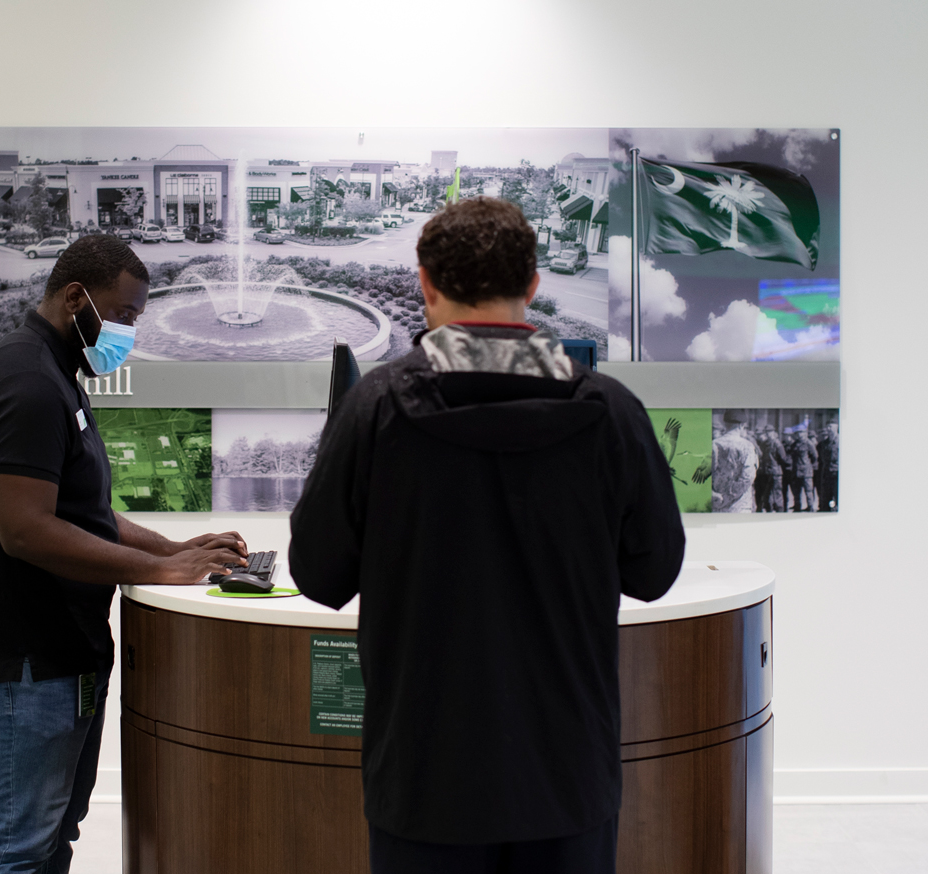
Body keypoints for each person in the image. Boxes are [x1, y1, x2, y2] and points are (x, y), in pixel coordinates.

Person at [288, 198, 685, 874]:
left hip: (423, 776)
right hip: (566, 774)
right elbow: (653, 572)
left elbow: (319, 574)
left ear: (424, 284)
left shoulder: (376, 409)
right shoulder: (610, 412)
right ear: (532, 286)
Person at [0, 235, 247, 874]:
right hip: (26, 656)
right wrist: (162, 570)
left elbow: (85, 513)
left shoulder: (56, 376)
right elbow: (26, 530)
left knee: (53, 835)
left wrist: (175, 548)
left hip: (62, 649)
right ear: (77, 298)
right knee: (18, 847)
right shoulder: (27, 382)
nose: (130, 331)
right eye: (125, 316)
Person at [706, 410, 759, 513]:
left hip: (717, 504)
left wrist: (712, 493)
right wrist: (728, 497)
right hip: (740, 505)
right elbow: (748, 477)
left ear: (724, 424)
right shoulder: (747, 446)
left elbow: (703, 475)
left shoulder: (713, 444)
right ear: (742, 425)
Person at [786, 427, 819, 512]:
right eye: (798, 433)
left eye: (801, 432)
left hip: (806, 472)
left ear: (805, 433)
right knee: (796, 492)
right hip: (796, 471)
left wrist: (808, 465)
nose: (799, 435)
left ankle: (810, 508)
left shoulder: (809, 443)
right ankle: (797, 508)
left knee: (808, 492)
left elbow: (815, 456)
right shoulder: (795, 444)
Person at [816, 422, 840, 511]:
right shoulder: (824, 443)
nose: (828, 429)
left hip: (837, 474)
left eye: (830, 426)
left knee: (838, 497)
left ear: (836, 427)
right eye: (827, 427)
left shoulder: (841, 441)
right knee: (825, 498)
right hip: (826, 474)